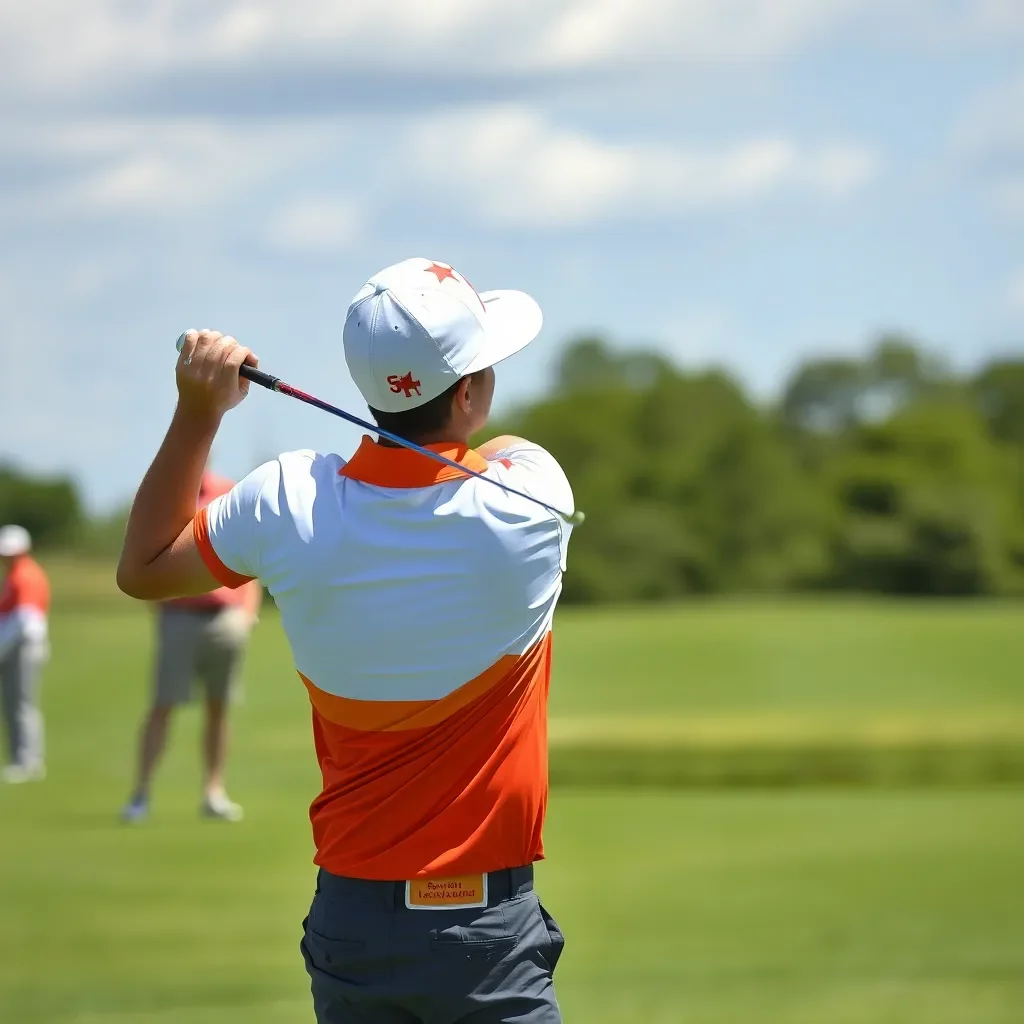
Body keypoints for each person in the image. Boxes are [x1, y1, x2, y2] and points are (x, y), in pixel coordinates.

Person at [116, 258, 576, 1023]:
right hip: (490, 927)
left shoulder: (286, 501)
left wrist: (199, 411)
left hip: (354, 919)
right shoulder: (531, 502)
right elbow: (502, 448)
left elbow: (143, 568)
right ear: (468, 394)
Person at [121, 471, 262, 823]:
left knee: (219, 707)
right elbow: (143, 551)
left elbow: (251, 554)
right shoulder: (165, 491)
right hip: (179, 615)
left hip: (225, 618)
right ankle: (140, 794)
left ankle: (214, 792)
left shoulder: (228, 491)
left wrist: (246, 613)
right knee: (162, 706)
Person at [0, 524, 50, 783]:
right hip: (14, 645)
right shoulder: (13, 576)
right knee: (13, 703)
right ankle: (20, 759)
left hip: (24, 645)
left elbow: (24, 619)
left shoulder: (26, 575)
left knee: (22, 703)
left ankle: (28, 761)